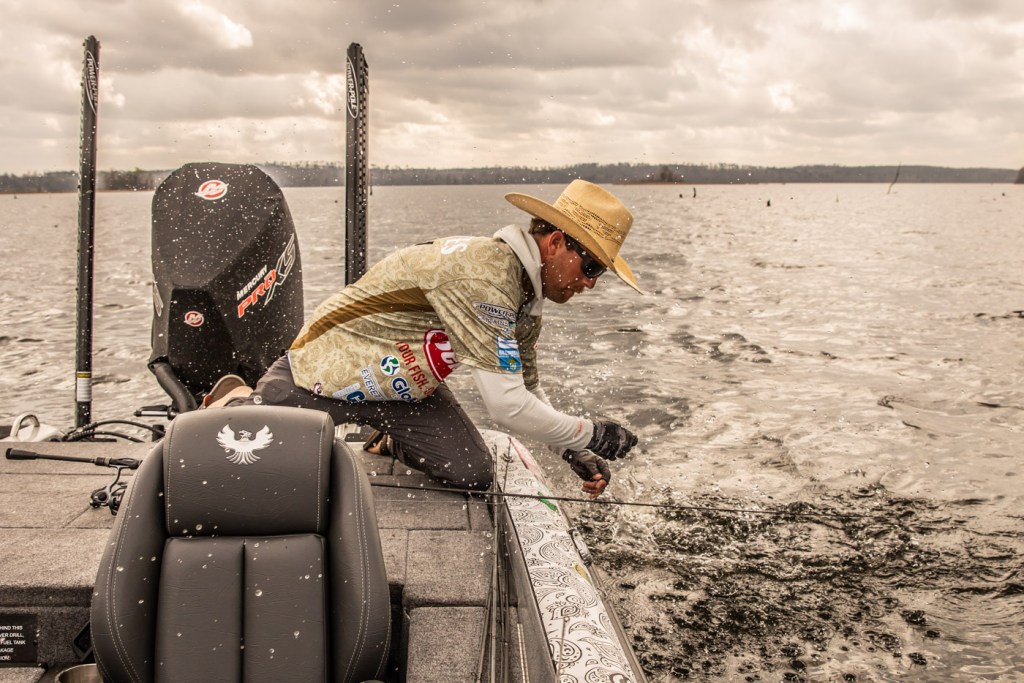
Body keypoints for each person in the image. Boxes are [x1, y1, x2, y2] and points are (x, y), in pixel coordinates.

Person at [224, 179, 644, 497]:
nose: (590, 283)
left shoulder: (525, 297)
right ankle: (238, 397)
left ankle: (388, 436)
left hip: (402, 390)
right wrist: (590, 434)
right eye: (590, 267)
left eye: (599, 274)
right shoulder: (488, 277)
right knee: (244, 456)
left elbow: (528, 390)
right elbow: (506, 406)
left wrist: (570, 448)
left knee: (471, 473)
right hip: (326, 373)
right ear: (555, 243)